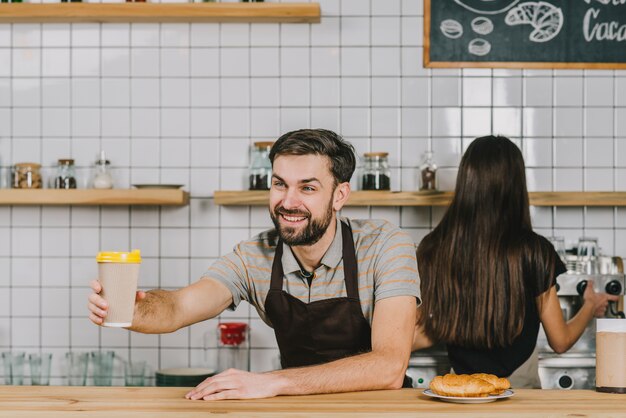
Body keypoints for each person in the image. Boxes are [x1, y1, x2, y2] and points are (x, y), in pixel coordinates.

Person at [88, 129, 421, 400]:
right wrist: (132, 311)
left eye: (307, 187)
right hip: (297, 411)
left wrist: (273, 382)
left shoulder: (385, 247)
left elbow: (389, 367)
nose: (288, 201)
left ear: (339, 196)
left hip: (381, 410)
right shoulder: (254, 256)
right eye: (279, 184)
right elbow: (177, 307)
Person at [411, 135, 619, 388]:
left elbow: (421, 329)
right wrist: (589, 305)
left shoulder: (435, 247)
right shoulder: (534, 251)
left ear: (466, 180)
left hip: (460, 389)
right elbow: (560, 341)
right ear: (516, 185)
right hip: (520, 388)